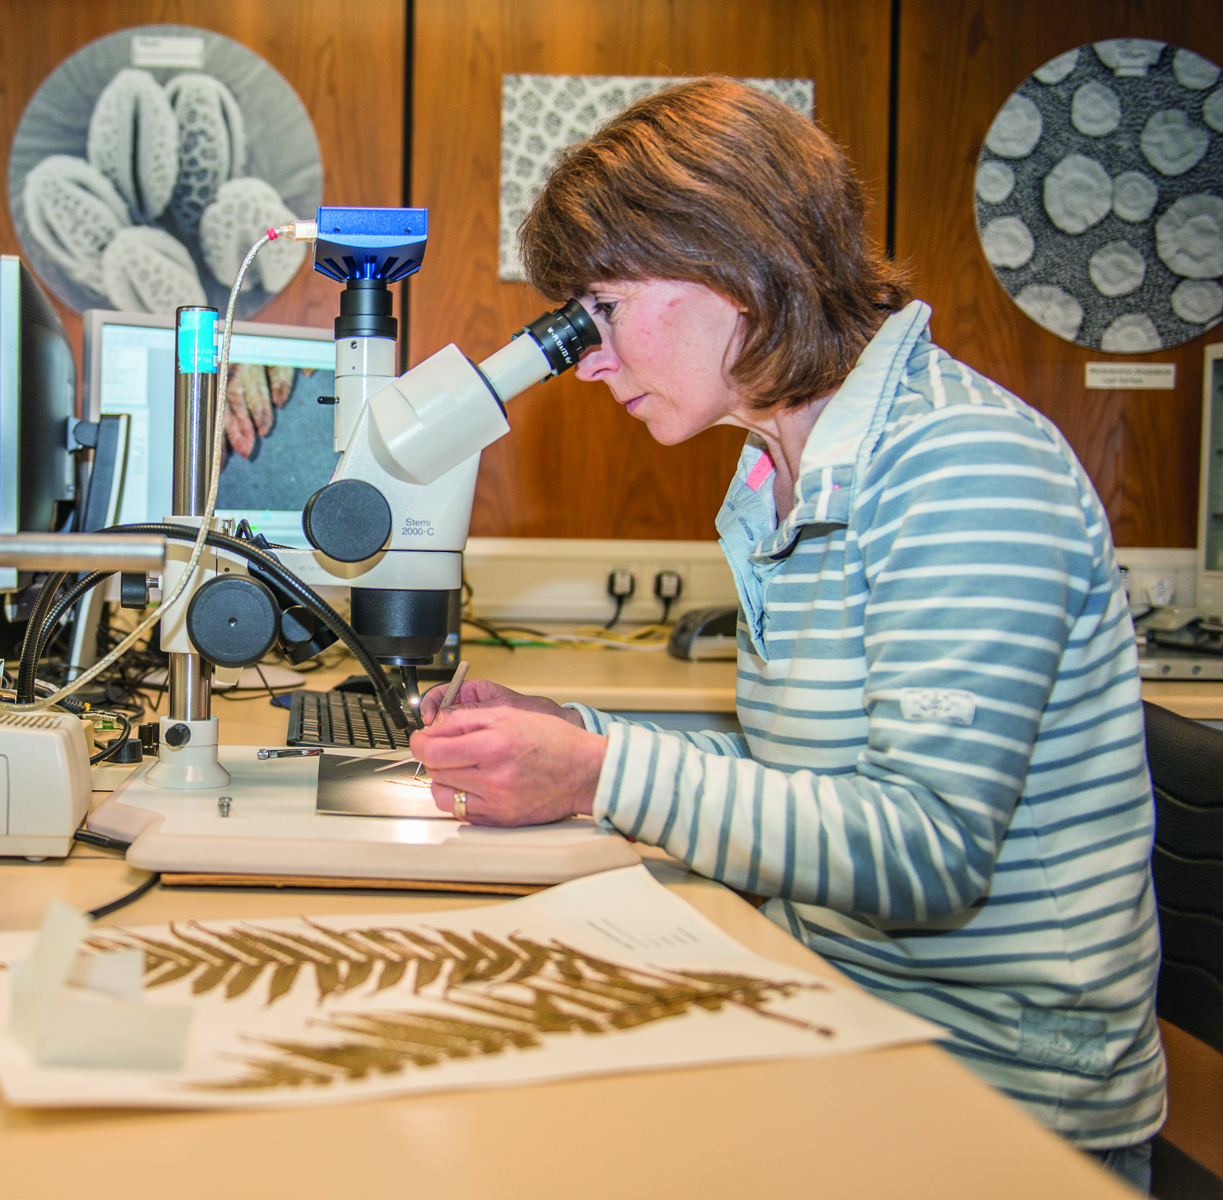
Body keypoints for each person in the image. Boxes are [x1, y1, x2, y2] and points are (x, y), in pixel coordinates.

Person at [409, 77, 1162, 1191]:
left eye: (602, 309)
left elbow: (925, 854)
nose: (592, 360)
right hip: (843, 1013)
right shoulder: (783, 474)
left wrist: (598, 775)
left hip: (999, 1097)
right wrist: (573, 729)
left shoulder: (963, 463)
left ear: (733, 262)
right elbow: (804, 782)